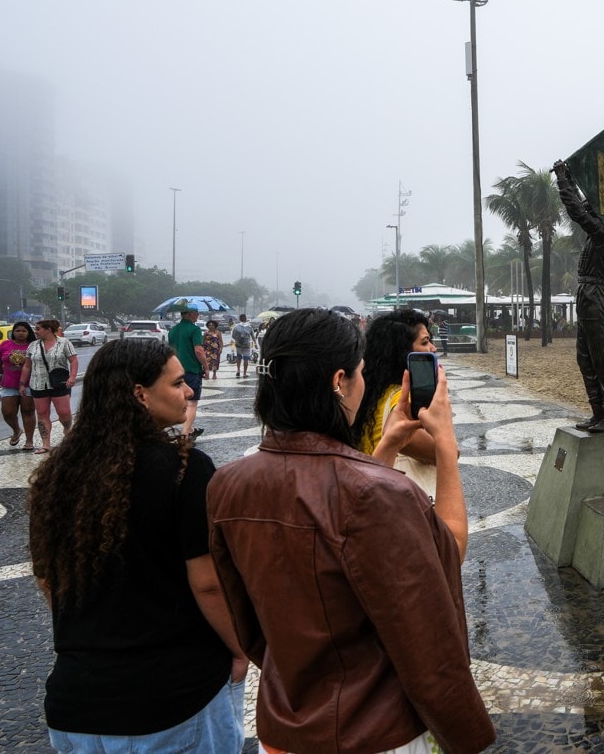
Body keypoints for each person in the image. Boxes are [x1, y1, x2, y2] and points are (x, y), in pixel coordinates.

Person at [207, 309, 492, 754]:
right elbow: (447, 555)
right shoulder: (381, 495)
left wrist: (390, 443)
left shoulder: (227, 485)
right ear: (339, 380)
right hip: (374, 732)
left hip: (285, 727)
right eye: (359, 373)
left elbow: (248, 624)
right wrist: (447, 447)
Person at [27, 339, 246, 752]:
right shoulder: (185, 469)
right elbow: (208, 584)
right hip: (173, 700)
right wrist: (240, 649)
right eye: (178, 382)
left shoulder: (56, 475)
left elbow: (48, 579)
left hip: (76, 703)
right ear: (139, 394)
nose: (190, 392)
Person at [352, 308, 453, 505]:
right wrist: (443, 417)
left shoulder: (370, 393)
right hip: (398, 504)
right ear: (402, 353)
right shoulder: (403, 401)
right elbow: (445, 453)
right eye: (424, 342)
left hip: (371, 493)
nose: (433, 348)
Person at [553, 159, 604, 433]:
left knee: (600, 360)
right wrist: (571, 179)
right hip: (588, 295)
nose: (588, 204)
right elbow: (581, 207)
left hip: (595, 296)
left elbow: (577, 211)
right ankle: (598, 413)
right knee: (585, 358)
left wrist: (563, 180)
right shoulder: (596, 235)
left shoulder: (603, 233)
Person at [19, 319, 79, 455]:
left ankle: (67, 430)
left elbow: (73, 360)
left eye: (39, 329)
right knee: (42, 414)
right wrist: (22, 384)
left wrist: (72, 377)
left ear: (49, 330)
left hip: (59, 383)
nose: (36, 331)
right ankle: (46, 443)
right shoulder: (33, 345)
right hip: (38, 383)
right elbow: (27, 366)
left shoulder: (64, 343)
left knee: (64, 413)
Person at [0, 321, 38, 449]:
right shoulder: (5, 344)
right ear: (13, 332)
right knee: (7, 412)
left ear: (28, 332)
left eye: (23, 331)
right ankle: (17, 430)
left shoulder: (33, 346)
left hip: (29, 384)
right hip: (9, 385)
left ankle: (29, 441)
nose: (20, 333)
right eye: (17, 331)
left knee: (28, 411)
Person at [168, 306, 208, 440]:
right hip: (191, 370)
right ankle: (185, 434)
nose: (198, 315)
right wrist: (206, 367)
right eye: (197, 313)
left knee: (182, 400)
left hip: (175, 371)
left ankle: (190, 429)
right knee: (192, 403)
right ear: (190, 314)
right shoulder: (195, 329)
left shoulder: (173, 330)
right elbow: (198, 351)